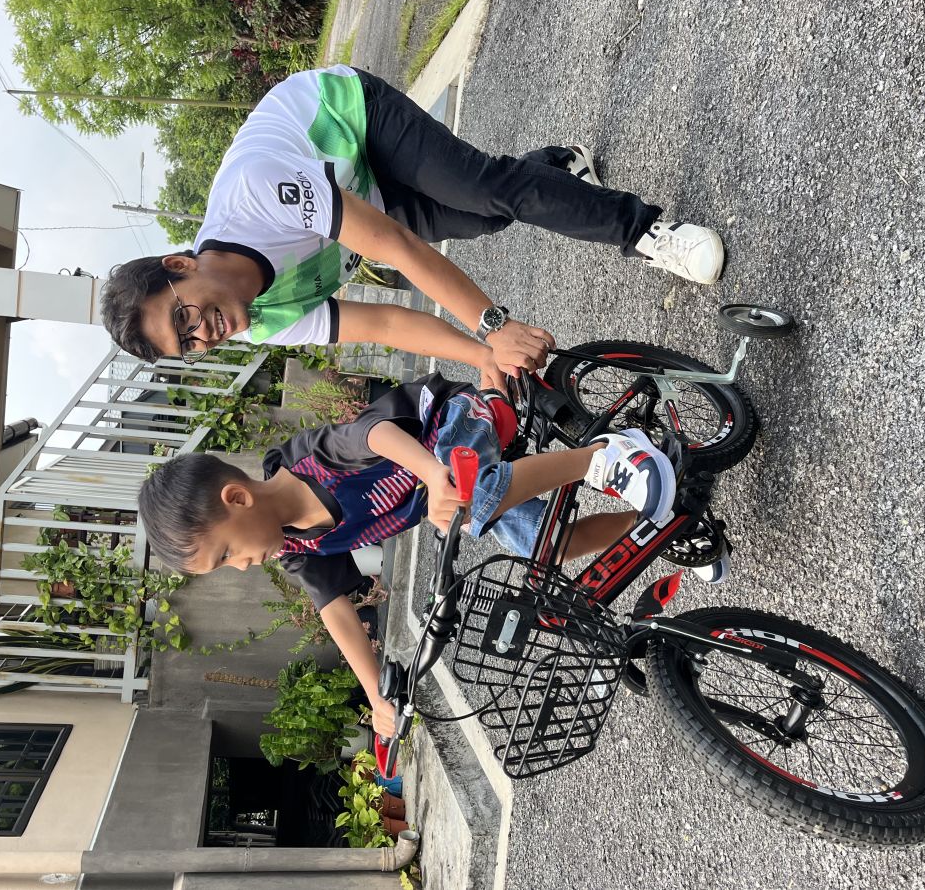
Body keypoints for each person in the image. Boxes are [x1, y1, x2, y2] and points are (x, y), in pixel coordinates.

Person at [101, 65, 725, 387]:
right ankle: (559, 171)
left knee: (483, 185)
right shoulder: (264, 322)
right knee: (487, 218)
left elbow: (394, 246)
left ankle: (647, 232)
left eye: (183, 316)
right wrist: (485, 355)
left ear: (180, 267)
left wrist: (495, 324)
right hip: (360, 201)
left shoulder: (252, 196)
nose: (203, 333)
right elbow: (390, 323)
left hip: (351, 123)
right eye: (189, 345)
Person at [137, 371, 677, 738]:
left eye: (228, 552)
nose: (243, 565)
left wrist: (431, 474)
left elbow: (374, 435)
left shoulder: (310, 461)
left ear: (238, 497)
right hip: (446, 487)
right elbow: (335, 612)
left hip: (451, 424)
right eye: (228, 565)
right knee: (550, 547)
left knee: (470, 504)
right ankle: (658, 518)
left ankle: (605, 455)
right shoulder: (298, 547)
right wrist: (377, 696)